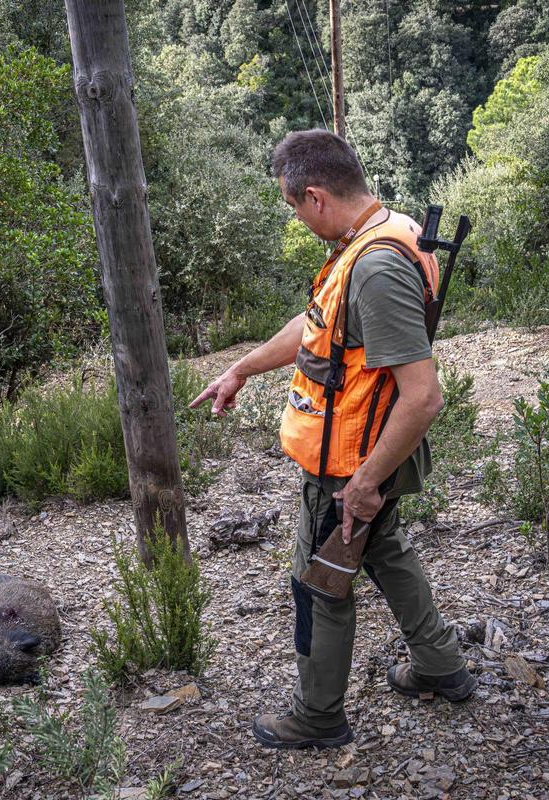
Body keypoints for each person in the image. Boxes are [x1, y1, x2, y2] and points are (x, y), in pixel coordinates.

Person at [190, 129, 474, 750]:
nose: (297, 218)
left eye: (294, 207)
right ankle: (442, 665)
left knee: (320, 582)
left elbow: (424, 395)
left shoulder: (373, 268)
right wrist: (241, 368)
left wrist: (365, 482)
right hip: (368, 451)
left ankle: (317, 716)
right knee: (385, 549)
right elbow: (319, 326)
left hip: (352, 462)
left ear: (315, 197)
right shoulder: (381, 231)